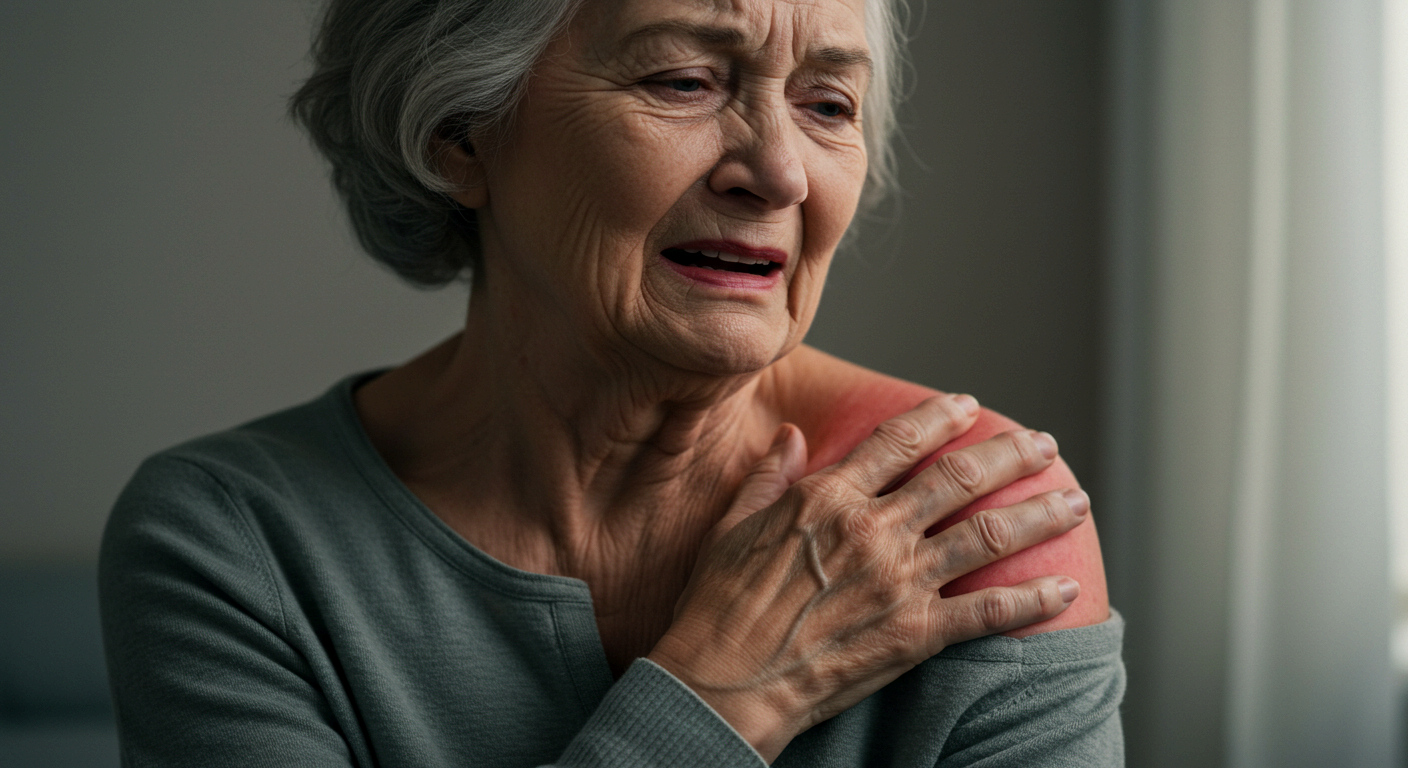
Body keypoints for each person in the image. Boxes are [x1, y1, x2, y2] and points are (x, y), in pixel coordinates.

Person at [99, 0, 1124, 765]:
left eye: (827, 104)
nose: (777, 172)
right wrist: (723, 698)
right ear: (460, 135)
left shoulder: (971, 518)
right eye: (683, 81)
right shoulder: (234, 541)